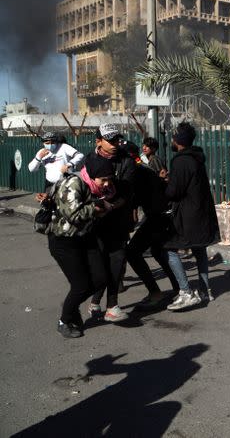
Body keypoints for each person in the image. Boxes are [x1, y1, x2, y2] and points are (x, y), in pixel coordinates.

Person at [46, 152, 115, 338]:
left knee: (101, 278)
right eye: (104, 179)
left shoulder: (96, 186)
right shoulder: (74, 183)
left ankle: (72, 304)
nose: (107, 183)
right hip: (64, 241)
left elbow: (108, 194)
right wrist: (97, 208)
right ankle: (65, 320)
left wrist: (106, 199)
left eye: (110, 179)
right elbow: (72, 214)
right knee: (80, 286)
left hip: (84, 237)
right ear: (92, 175)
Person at [162, 121, 220, 311]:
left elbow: (174, 192)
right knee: (199, 250)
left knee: (170, 249)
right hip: (201, 212)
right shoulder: (196, 157)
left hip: (187, 215)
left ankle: (186, 292)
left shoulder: (180, 160)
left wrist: (165, 182)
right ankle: (204, 290)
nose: (171, 140)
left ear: (178, 141)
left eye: (173, 137)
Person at [118, 140, 179, 308]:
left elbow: (131, 196)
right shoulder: (140, 170)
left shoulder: (136, 172)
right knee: (158, 251)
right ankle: (178, 287)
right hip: (161, 214)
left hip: (159, 216)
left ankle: (156, 292)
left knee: (132, 252)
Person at [87, 124, 137, 323]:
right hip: (95, 221)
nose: (116, 144)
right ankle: (95, 300)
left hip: (118, 220)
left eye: (117, 139)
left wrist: (110, 206)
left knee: (116, 260)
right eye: (111, 140)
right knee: (98, 265)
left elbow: (127, 193)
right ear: (99, 141)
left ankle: (112, 305)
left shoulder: (126, 162)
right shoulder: (89, 160)